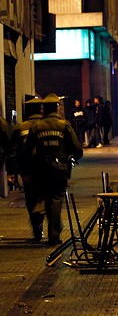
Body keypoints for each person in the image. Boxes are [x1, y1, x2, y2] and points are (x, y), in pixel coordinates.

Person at [23, 93, 83, 245]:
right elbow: (78, 149)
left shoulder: (37, 126)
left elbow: (27, 151)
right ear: (57, 108)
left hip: (41, 169)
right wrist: (69, 156)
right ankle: (53, 235)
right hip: (60, 167)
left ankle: (39, 211)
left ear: (44, 109)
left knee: (42, 196)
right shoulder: (64, 125)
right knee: (56, 199)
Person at [9, 98, 44, 240]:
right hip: (45, 169)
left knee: (31, 199)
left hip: (27, 170)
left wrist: (12, 171)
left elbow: (13, 151)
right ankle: (50, 228)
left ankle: (37, 230)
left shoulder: (20, 128)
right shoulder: (45, 125)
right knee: (47, 197)